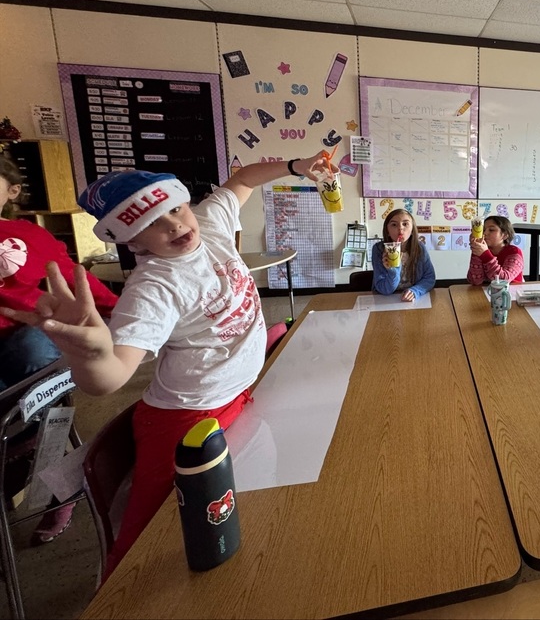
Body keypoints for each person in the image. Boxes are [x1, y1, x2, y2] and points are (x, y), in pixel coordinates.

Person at [1, 153, 333, 577]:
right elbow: (113, 376)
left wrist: (296, 167)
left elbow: (244, 179)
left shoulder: (207, 222)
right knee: (148, 540)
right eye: (151, 223)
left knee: (233, 515)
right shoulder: (155, 286)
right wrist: (93, 355)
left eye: (175, 209)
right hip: (184, 420)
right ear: (133, 241)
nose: (174, 224)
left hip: (237, 397)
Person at [1, 156, 121, 545]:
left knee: (33, 345)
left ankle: (36, 458)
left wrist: (123, 314)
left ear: (12, 191)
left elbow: (76, 282)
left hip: (31, 346)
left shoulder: (27, 234)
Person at [371, 208, 435, 300]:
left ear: (412, 229)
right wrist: (393, 270)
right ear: (387, 231)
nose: (400, 228)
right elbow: (384, 290)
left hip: (412, 300)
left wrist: (415, 291)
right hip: (385, 299)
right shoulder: (379, 250)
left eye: (405, 224)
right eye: (394, 225)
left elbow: (429, 278)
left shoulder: (419, 248)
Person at [466, 215, 524, 285]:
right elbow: (475, 281)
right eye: (483, 230)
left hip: (511, 293)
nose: (485, 233)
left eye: (491, 230)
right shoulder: (482, 250)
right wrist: (476, 251)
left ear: (505, 235)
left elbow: (503, 281)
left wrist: (485, 255)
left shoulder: (514, 252)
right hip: (486, 292)